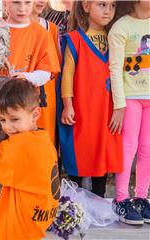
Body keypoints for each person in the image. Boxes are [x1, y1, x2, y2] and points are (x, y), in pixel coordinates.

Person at [0, 78, 59, 239]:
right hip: (39, 216)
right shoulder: (42, 138)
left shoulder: (22, 144)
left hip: (18, 226)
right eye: (2, 120)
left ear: (35, 114)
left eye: (14, 119)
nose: (7, 127)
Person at [57, 0, 122, 198]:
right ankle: (75, 204)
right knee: (80, 150)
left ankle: (99, 200)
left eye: (112, 6)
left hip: (107, 107)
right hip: (82, 107)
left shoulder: (115, 37)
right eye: (102, 5)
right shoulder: (75, 38)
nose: (108, 11)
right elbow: (67, 74)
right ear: (86, 6)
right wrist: (68, 105)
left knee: (103, 151)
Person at [109, 0, 150, 225]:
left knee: (147, 148)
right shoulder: (121, 27)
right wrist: (119, 104)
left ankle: (141, 197)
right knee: (129, 147)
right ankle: (122, 199)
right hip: (130, 97)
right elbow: (114, 68)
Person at [2, 0, 60, 144]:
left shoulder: (41, 34)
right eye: (16, 3)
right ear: (5, 3)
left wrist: (26, 77)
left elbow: (47, 72)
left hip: (25, 103)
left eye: (27, 3)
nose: (22, 8)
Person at [30, 0, 61, 145]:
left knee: (46, 134)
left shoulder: (51, 28)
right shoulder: (8, 27)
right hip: (21, 90)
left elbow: (55, 65)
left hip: (46, 93)